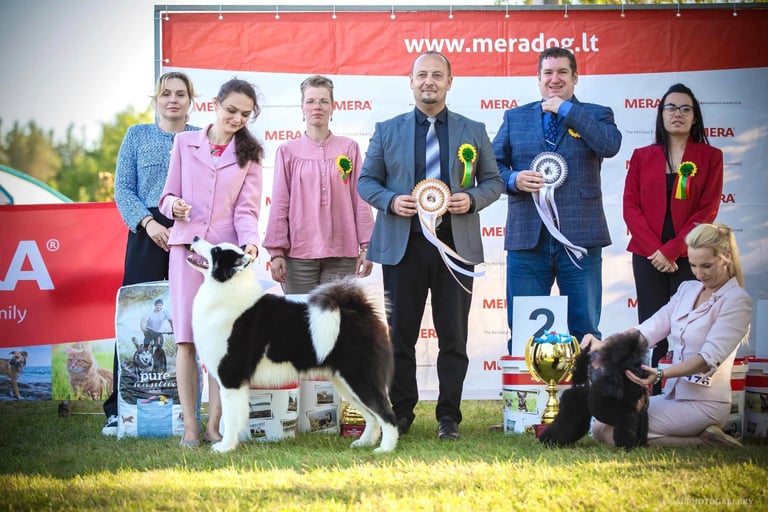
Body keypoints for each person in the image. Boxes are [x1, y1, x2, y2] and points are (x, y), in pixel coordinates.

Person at [358, 51, 503, 440]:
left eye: (437, 75)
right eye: (422, 74)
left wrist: (472, 198)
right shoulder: (387, 130)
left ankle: (449, 416)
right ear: (410, 81)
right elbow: (366, 181)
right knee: (400, 336)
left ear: (449, 82)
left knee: (453, 336)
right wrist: (391, 201)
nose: (429, 81)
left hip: (455, 247)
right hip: (403, 246)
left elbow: (494, 181)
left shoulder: (474, 129)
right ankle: (401, 412)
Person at [159, 78, 264, 448]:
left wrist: (250, 243)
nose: (237, 118)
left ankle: (215, 426)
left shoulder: (250, 155)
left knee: (222, 342)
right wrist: (174, 206)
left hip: (223, 260)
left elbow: (247, 211)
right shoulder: (183, 143)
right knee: (186, 340)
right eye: (231, 110)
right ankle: (190, 426)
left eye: (245, 114)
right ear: (216, 105)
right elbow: (166, 196)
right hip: (187, 253)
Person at [582, 223, 752, 448]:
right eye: (693, 265)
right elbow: (649, 330)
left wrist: (661, 374)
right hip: (673, 397)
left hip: (705, 405)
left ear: (727, 257)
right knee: (600, 427)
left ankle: (705, 442)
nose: (699, 273)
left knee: (614, 432)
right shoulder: (687, 289)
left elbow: (707, 359)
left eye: (707, 266)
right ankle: (706, 439)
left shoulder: (737, 300)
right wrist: (604, 345)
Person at [103, 71, 199, 436]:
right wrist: (148, 223)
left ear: (191, 101)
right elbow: (123, 189)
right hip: (146, 232)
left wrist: (185, 227)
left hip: (189, 230)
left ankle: (186, 408)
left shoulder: (202, 137)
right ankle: (119, 408)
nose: (173, 99)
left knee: (188, 320)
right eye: (166, 94)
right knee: (135, 318)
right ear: (156, 100)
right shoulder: (137, 135)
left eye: (180, 94)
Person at [624, 83, 723, 395]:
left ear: (695, 117)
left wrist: (673, 249)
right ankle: (647, 396)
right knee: (651, 327)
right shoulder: (642, 156)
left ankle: (685, 394)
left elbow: (707, 209)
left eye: (685, 108)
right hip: (648, 255)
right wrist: (656, 250)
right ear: (661, 114)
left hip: (690, 257)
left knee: (689, 327)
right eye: (671, 107)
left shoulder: (711, 156)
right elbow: (630, 206)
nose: (677, 113)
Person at [263, 75, 373, 293]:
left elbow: (360, 200)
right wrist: (276, 252)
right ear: (302, 107)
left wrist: (368, 246)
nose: (317, 107)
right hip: (298, 255)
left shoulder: (349, 148)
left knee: (336, 314)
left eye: (324, 101)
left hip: (342, 254)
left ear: (333, 107)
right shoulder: (287, 151)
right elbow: (280, 202)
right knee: (299, 314)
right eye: (311, 101)